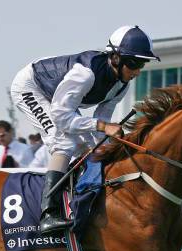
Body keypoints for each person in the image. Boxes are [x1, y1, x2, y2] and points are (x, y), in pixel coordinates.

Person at [10, 25, 160, 234]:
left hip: (58, 99)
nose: (136, 71)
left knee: (90, 146)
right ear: (115, 58)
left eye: (141, 65)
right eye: (133, 63)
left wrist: (105, 144)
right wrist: (103, 127)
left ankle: (78, 202)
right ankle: (48, 214)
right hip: (30, 87)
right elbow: (62, 117)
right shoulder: (85, 74)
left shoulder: (121, 84)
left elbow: (102, 122)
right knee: (63, 140)